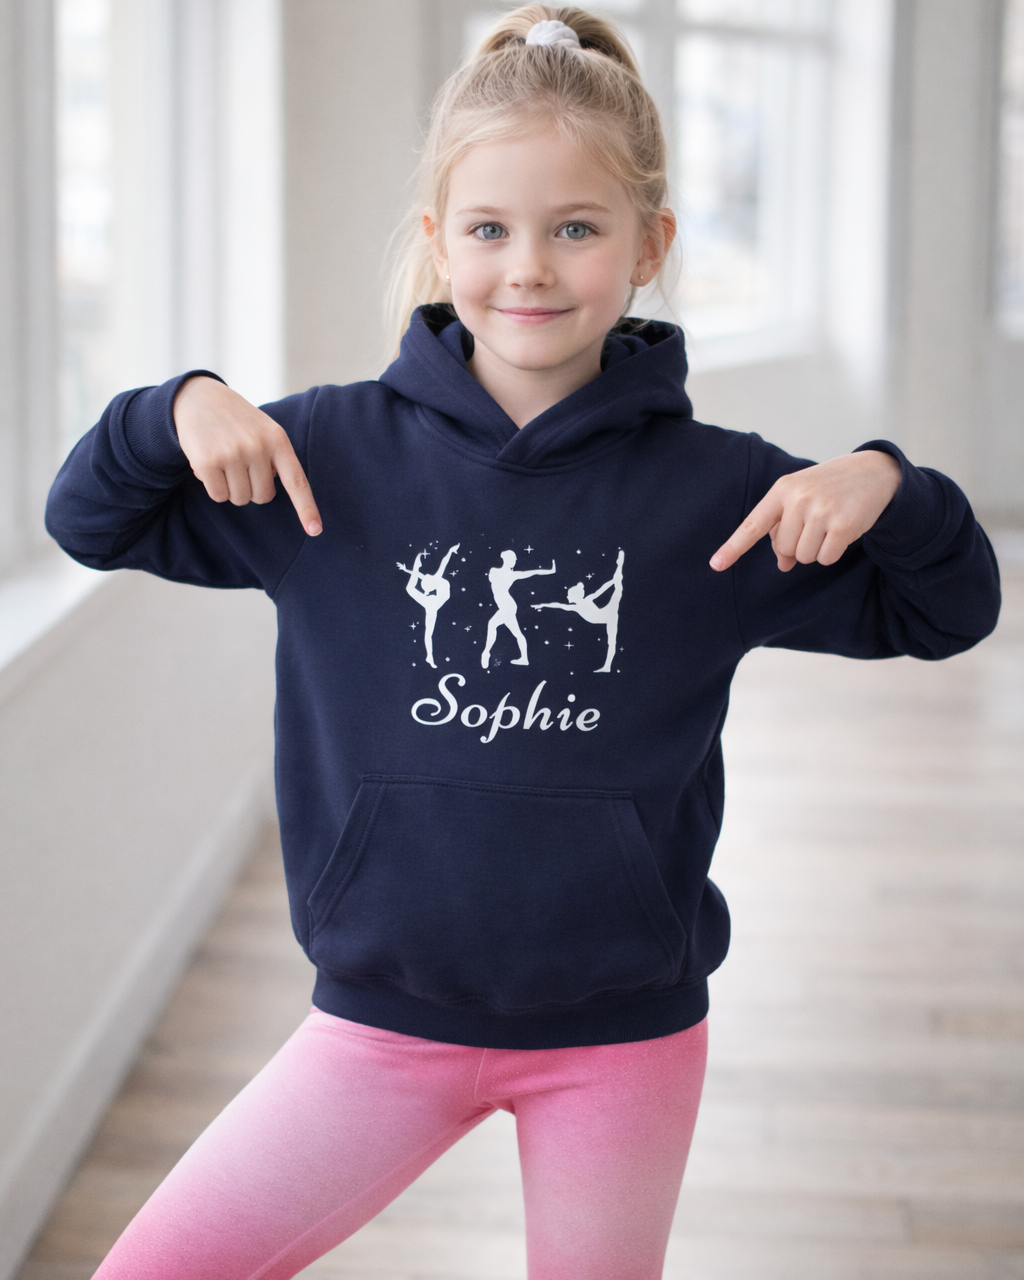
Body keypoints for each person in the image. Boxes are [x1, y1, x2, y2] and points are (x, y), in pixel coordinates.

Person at [44, 7, 1000, 1279]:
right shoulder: (325, 456)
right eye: (489, 229)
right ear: (438, 240)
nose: (528, 268)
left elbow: (948, 610)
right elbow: (88, 518)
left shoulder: (720, 496)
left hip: (623, 1038)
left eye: (577, 228)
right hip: (375, 1028)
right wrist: (171, 407)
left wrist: (894, 481)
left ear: (650, 244)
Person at [533, 548, 624, 672]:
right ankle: (607, 667)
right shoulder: (577, 605)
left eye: (568, 595)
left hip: (608, 614)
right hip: (606, 616)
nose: (566, 597)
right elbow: (558, 605)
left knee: (618, 590)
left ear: (574, 596)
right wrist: (543, 604)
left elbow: (600, 590)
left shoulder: (582, 602)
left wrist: (613, 581)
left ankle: (619, 568)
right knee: (617, 591)